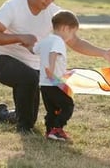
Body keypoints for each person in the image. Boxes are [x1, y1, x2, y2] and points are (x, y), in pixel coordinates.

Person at [0, 0, 110, 134]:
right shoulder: (13, 6)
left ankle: (2, 114)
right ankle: (24, 129)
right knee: (29, 80)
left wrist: (104, 53)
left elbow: (74, 41)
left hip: (34, 70)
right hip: (5, 61)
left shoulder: (55, 13)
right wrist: (20, 37)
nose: (49, 1)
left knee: (29, 109)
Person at [32, 10, 78, 141]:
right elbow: (53, 54)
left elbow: (34, 50)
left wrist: (26, 44)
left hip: (44, 84)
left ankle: (50, 132)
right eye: (72, 33)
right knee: (68, 105)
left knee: (53, 110)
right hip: (54, 82)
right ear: (64, 28)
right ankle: (57, 128)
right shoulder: (58, 41)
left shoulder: (46, 40)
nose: (72, 36)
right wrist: (51, 71)